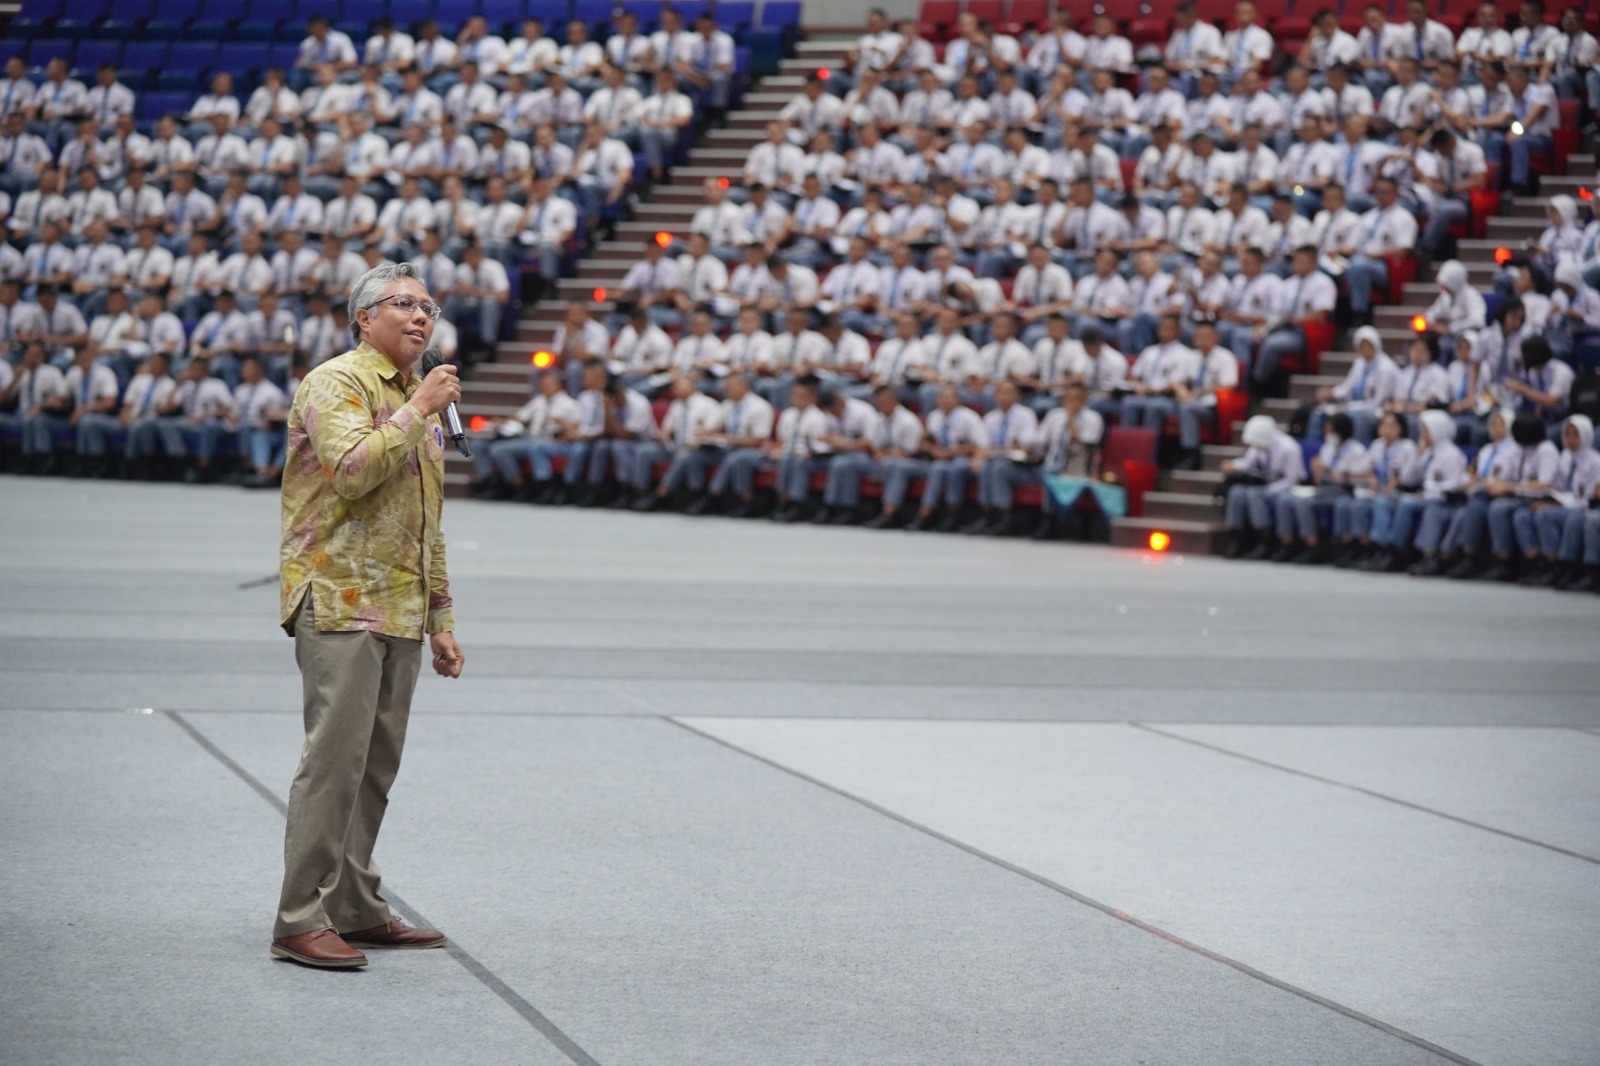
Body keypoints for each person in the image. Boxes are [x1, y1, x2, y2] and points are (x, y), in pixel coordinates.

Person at [271, 261, 463, 970]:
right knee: (333, 765)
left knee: (374, 768)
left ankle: (352, 906)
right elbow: (351, 469)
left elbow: (428, 520)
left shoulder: (422, 394)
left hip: (402, 605)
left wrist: (442, 617)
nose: (420, 317)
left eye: (428, 306)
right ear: (363, 318)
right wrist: (418, 414)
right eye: (403, 305)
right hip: (342, 596)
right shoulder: (336, 382)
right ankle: (298, 918)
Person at [1222, 414, 1307, 559]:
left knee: (1255, 495)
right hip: (1265, 485)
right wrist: (1233, 465)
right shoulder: (1259, 446)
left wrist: (1268, 490)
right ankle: (1236, 538)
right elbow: (1248, 462)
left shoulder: (1289, 448)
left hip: (1285, 488)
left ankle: (1263, 540)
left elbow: (1292, 480)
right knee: (1237, 492)